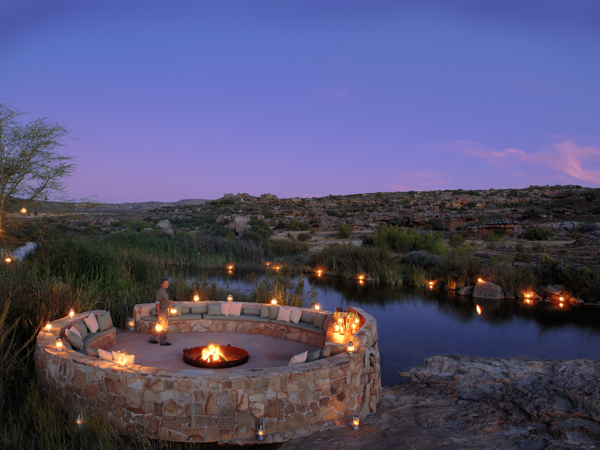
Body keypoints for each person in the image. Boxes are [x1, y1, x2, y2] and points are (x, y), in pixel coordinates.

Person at [148, 278, 174, 346]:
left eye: (168, 283)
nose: (168, 284)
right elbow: (157, 303)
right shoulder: (160, 292)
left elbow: (163, 300)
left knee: (159, 326)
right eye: (166, 283)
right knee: (164, 327)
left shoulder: (164, 291)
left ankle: (151, 339)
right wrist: (159, 312)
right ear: (162, 284)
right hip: (163, 311)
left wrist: (169, 302)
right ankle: (163, 341)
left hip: (164, 310)